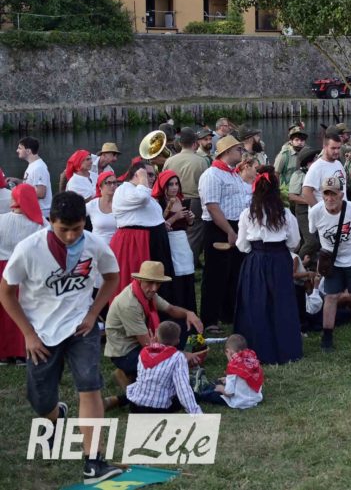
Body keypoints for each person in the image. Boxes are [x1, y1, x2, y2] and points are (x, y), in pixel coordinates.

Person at [0, 191, 123, 485]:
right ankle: (56, 416)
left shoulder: (94, 245)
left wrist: (93, 313)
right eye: (63, 229)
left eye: (77, 228)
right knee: (40, 399)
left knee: (90, 385)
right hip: (41, 332)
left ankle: (94, 461)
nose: (70, 236)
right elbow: (6, 293)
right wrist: (28, 334)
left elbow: (112, 277)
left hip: (81, 327)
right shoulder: (29, 249)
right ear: (50, 221)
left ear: (85, 223)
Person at [234, 166, 303, 364]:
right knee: (282, 302)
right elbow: (294, 242)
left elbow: (242, 245)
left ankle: (258, 347)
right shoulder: (285, 213)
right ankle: (285, 348)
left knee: (256, 302)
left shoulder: (248, 214)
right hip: (279, 259)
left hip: (256, 260)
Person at [104, 260, 202, 384]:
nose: (154, 288)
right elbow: (147, 345)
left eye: (158, 283)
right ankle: (127, 373)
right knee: (165, 367)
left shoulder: (145, 292)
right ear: (140, 280)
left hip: (143, 343)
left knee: (184, 324)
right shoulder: (129, 304)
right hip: (126, 353)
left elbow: (170, 309)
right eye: (150, 283)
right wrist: (180, 355)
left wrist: (189, 313)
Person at [310, 175, 351, 351]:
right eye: (326, 194)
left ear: (341, 194)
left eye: (333, 194)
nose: (330, 198)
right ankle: (327, 336)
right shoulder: (315, 212)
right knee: (331, 297)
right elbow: (313, 232)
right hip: (332, 261)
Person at [198, 135, 251, 334]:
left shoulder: (233, 174)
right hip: (218, 227)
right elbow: (212, 206)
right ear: (227, 152)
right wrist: (229, 231)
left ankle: (227, 312)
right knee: (215, 275)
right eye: (238, 149)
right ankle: (209, 318)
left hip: (235, 224)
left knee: (234, 272)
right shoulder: (212, 175)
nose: (241, 153)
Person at [110, 159, 177, 300]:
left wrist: (160, 223)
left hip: (153, 241)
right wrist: (142, 178)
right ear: (137, 174)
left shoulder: (142, 191)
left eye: (153, 175)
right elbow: (141, 198)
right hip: (138, 243)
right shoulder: (124, 189)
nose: (152, 179)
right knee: (145, 285)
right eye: (149, 175)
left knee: (160, 284)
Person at [0, 184, 45, 364]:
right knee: (26, 308)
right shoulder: (40, 224)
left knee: (5, 309)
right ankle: (23, 349)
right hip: (28, 269)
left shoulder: (1, 220)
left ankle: (4, 352)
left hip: (3, 268)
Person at [125, 321, 202, 415]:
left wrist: (153, 345)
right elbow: (183, 387)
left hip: (135, 406)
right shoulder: (177, 357)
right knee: (194, 393)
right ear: (178, 340)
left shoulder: (144, 351)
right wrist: (196, 413)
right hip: (157, 409)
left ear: (157, 336)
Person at [151, 170, 197, 312]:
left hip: (182, 243)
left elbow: (186, 226)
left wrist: (190, 220)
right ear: (163, 186)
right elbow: (159, 227)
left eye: (177, 184)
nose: (174, 187)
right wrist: (175, 217)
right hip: (168, 243)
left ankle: (188, 311)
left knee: (186, 276)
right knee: (174, 277)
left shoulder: (181, 200)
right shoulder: (158, 203)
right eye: (170, 184)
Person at [162, 127, 209, 264]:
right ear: (195, 143)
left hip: (172, 201)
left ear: (180, 143)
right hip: (194, 200)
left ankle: (175, 262)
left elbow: (163, 181)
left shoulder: (169, 161)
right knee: (194, 234)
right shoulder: (201, 161)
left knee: (175, 233)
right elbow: (206, 184)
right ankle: (191, 262)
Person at [195, 334, 264, 409]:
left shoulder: (234, 367)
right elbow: (244, 379)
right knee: (220, 383)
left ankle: (198, 394)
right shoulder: (252, 362)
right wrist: (227, 379)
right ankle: (205, 387)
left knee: (214, 393)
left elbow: (229, 393)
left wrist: (221, 389)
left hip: (240, 401)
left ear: (228, 351)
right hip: (254, 399)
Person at [303, 132, 345, 204]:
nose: (337, 151)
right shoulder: (317, 167)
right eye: (333, 148)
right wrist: (319, 209)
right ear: (325, 147)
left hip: (341, 210)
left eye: (338, 148)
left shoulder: (339, 164)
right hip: (326, 210)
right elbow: (306, 192)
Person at [17, 136, 52, 219]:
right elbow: (31, 185)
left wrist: (18, 192)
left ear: (28, 151)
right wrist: (17, 181)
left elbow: (41, 193)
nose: (17, 150)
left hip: (42, 214)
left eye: (20, 148)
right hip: (36, 213)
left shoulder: (38, 167)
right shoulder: (33, 165)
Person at [86, 171, 118, 245]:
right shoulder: (92, 205)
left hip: (117, 247)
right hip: (97, 248)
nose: (112, 185)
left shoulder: (121, 204)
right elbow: (76, 216)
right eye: (108, 183)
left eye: (114, 182)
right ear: (100, 186)